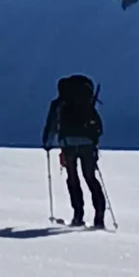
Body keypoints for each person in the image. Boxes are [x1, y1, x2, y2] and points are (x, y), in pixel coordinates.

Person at [43, 74, 107, 227]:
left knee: (73, 179)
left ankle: (78, 216)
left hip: (68, 144)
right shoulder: (86, 101)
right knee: (90, 178)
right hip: (88, 144)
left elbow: (51, 125)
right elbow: (98, 125)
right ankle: (99, 218)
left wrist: (47, 143)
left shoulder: (59, 103)